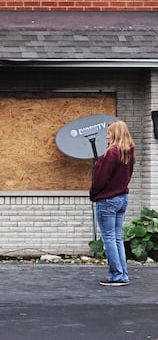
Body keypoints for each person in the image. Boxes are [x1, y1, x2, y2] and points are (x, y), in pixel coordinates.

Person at [90, 120, 135, 287]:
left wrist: (94, 194)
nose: (106, 135)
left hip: (108, 200)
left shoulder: (112, 153)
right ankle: (122, 274)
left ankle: (116, 275)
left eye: (109, 132)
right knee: (116, 238)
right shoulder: (128, 151)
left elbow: (101, 179)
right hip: (122, 198)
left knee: (109, 238)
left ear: (115, 133)